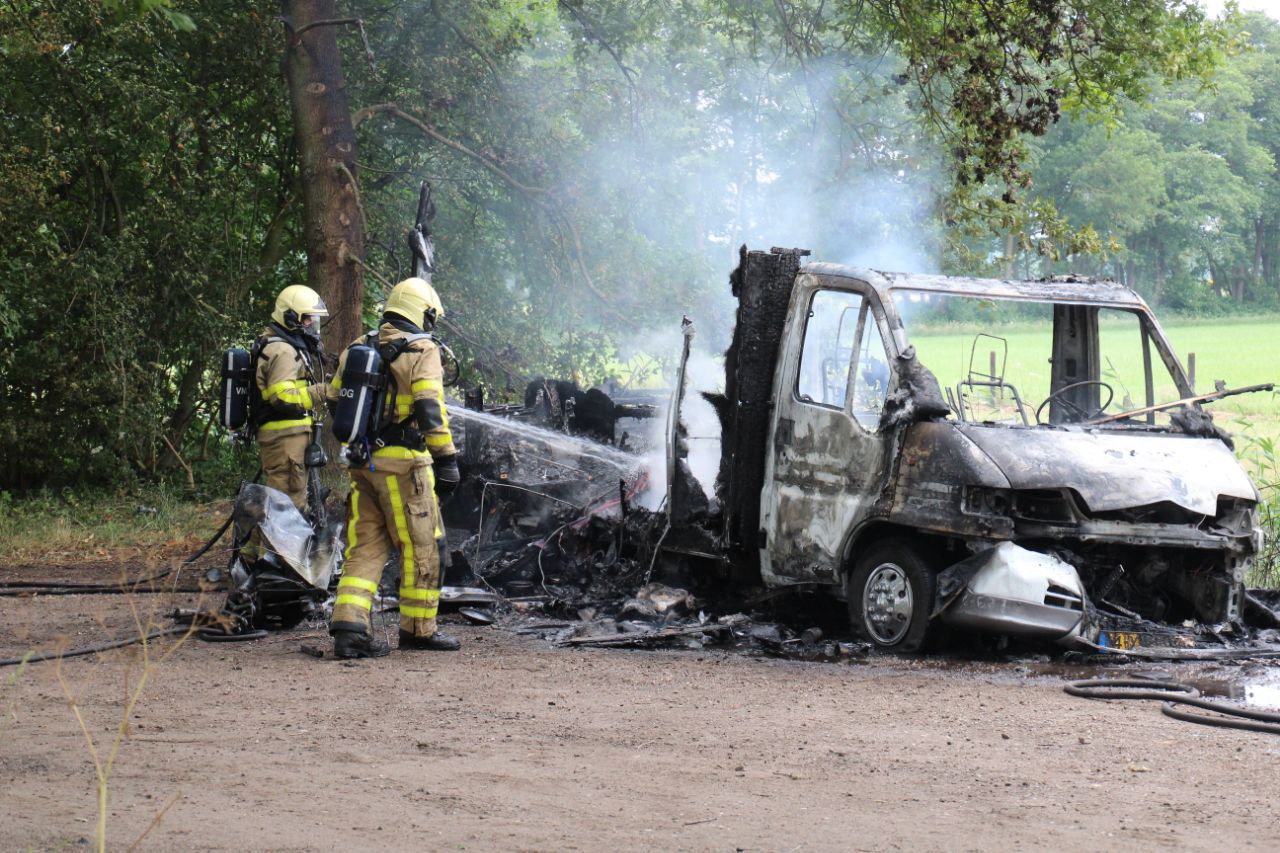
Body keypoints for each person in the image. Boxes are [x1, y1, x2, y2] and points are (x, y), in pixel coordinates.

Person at [326, 277, 461, 658]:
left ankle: (349, 629)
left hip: (363, 463)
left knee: (366, 545)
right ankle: (419, 629)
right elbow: (429, 409)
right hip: (405, 466)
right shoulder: (422, 349)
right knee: (422, 546)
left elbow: (336, 400)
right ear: (422, 312)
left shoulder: (359, 346)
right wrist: (447, 459)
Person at [254, 285, 329, 510]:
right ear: (290, 317)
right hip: (285, 438)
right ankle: (277, 547)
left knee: (277, 501)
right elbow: (283, 398)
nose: (311, 326)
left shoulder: (285, 346)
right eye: (307, 319)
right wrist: (322, 391)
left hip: (288, 437)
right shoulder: (283, 351)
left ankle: (255, 546)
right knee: (287, 505)